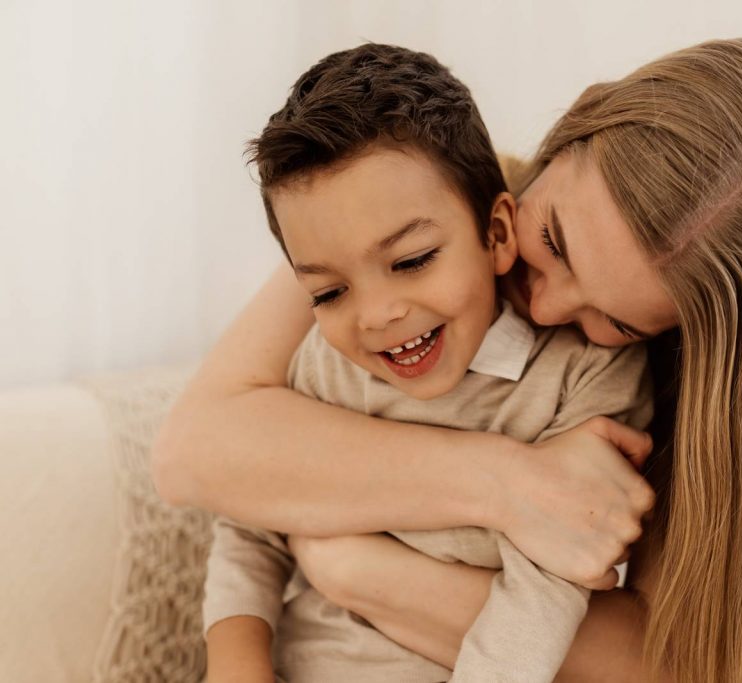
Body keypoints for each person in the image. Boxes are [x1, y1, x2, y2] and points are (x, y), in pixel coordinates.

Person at [155, 37, 742, 682]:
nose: (550, 306)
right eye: (555, 239)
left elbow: (673, 665)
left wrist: (360, 570)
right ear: (571, 133)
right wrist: (511, 483)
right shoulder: (398, 220)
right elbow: (195, 458)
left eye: (616, 318)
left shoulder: (603, 385)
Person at [200, 43, 653, 683]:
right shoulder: (327, 368)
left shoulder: (585, 378)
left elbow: (547, 588)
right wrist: (235, 664)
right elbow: (250, 520)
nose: (377, 315)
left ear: (497, 235)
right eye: (328, 292)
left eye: (412, 261)